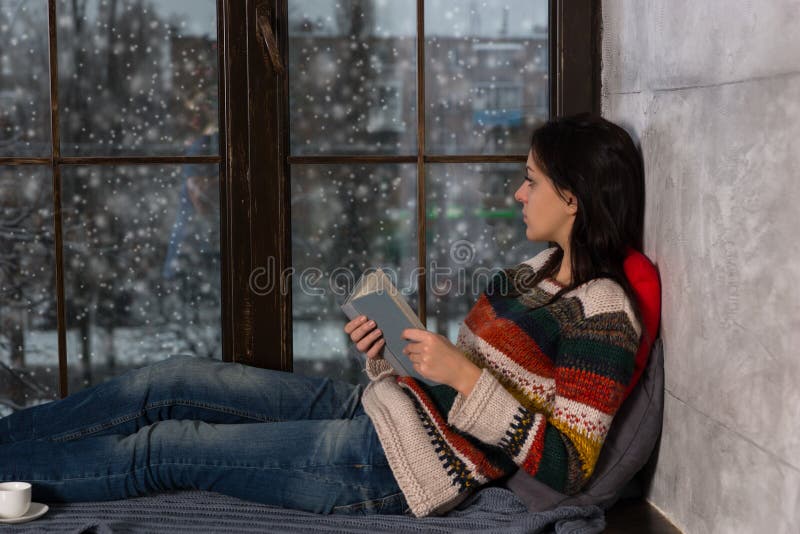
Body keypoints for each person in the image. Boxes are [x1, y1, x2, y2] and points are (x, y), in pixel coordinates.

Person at [0, 113, 646, 518]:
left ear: (574, 196)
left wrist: (467, 378)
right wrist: (389, 349)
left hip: (399, 464)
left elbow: (568, 463)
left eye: (530, 179)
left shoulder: (604, 314)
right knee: (170, 380)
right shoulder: (526, 272)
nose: (517, 192)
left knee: (169, 449)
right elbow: (455, 382)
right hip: (385, 405)